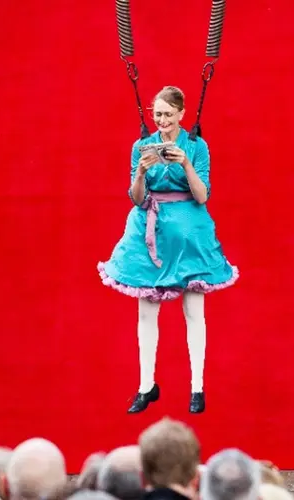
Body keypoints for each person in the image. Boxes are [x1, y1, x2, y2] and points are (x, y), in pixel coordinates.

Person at [97, 86, 239, 414]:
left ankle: (197, 387)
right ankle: (147, 385)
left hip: (190, 239)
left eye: (168, 115)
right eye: (157, 114)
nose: (162, 121)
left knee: (194, 312)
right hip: (148, 234)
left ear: (181, 114)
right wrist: (142, 171)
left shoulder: (196, 146)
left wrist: (186, 162)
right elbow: (135, 197)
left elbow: (202, 196)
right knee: (146, 312)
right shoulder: (141, 147)